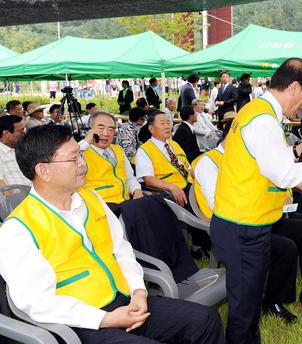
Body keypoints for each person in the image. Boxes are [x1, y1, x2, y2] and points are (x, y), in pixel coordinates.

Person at [0, 124, 224, 344]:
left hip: (124, 301)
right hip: (78, 324)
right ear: (43, 170)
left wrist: (138, 291)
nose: (83, 164)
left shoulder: (90, 199)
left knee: (204, 320)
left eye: (81, 156)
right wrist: (104, 319)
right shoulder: (18, 229)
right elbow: (35, 302)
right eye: (74, 159)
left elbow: (121, 249)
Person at [211, 58, 302, 343]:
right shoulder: (263, 120)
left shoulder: (260, 112)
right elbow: (282, 176)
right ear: (294, 87)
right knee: (245, 310)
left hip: (244, 222)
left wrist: (296, 150)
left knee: (247, 304)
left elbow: (265, 161)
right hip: (243, 226)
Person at [80, 112, 144, 208]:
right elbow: (67, 159)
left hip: (125, 205)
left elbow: (129, 177)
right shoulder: (81, 153)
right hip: (99, 207)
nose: (106, 133)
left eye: (111, 129)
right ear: (90, 130)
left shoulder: (118, 150)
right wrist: (86, 141)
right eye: (101, 128)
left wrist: (137, 190)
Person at [0, 115, 29, 186]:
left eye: (24, 130)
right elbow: (3, 188)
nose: (24, 133)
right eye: (21, 131)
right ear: (6, 134)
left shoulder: (23, 148)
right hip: (17, 196)